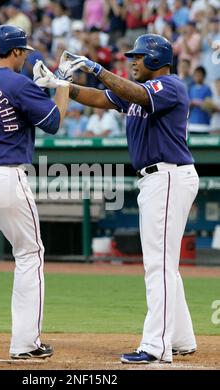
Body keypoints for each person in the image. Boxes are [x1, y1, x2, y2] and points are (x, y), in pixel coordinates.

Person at [57, 34, 199, 364]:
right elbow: (102, 98)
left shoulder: (170, 85)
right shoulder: (137, 92)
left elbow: (133, 92)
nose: (133, 61)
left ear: (157, 60)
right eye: (132, 56)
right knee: (165, 265)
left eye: (139, 56)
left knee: (159, 266)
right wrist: (64, 87)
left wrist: (97, 68)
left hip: (168, 175)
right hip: (158, 179)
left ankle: (155, 346)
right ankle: (181, 338)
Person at [0, 24, 69, 368]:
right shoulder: (17, 82)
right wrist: (61, 83)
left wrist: (39, 88)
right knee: (30, 252)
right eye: (24, 52)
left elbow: (11, 104)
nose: (26, 56)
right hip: (2, 175)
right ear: (16, 51)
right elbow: (53, 122)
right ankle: (25, 343)